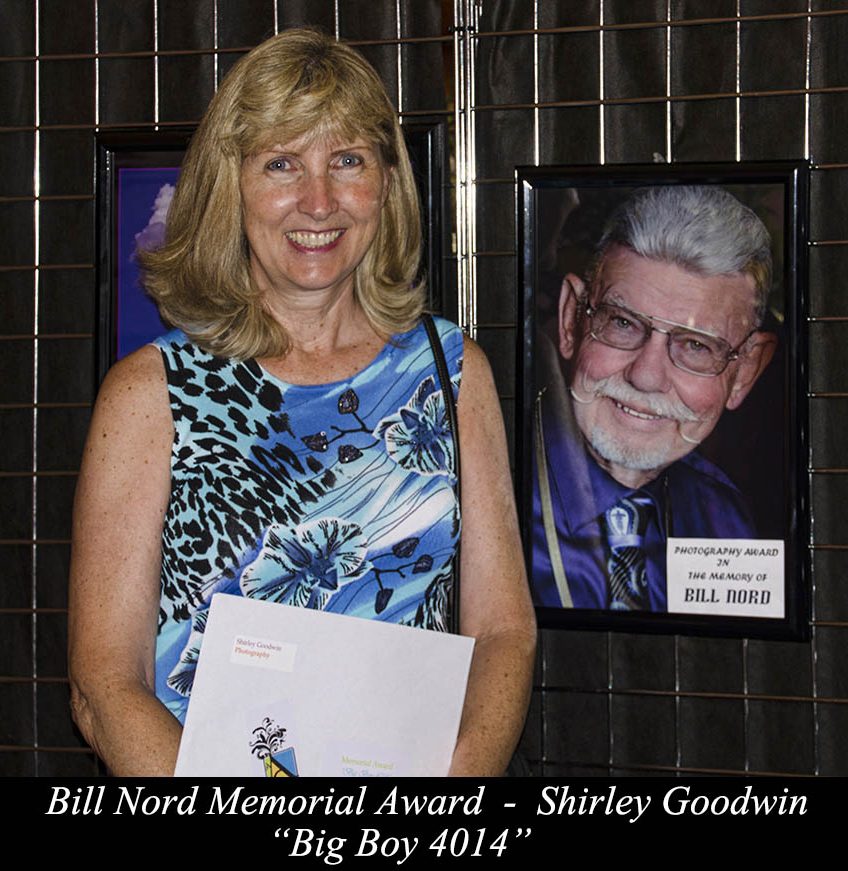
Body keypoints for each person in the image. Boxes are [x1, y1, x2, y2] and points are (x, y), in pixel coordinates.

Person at [68, 29, 535, 776]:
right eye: (282, 163)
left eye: (347, 160)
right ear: (231, 184)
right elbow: (103, 687)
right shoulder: (148, 397)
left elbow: (504, 631)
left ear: (387, 180)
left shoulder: (453, 374)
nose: (318, 201)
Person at [532, 185, 777, 612]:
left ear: (744, 373)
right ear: (571, 320)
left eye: (696, 346)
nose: (645, 377)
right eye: (622, 323)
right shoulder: (487, 495)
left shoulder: (723, 518)